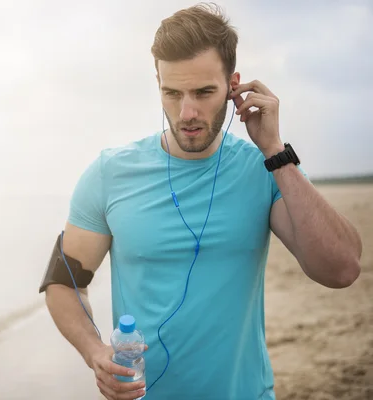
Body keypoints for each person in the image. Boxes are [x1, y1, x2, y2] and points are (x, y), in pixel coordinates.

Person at [39, 3, 363, 399]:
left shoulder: (265, 169)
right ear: (157, 81)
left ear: (233, 85)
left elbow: (341, 269)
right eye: (172, 93)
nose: (187, 112)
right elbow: (63, 281)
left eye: (204, 92)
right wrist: (94, 352)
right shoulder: (111, 173)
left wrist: (275, 150)